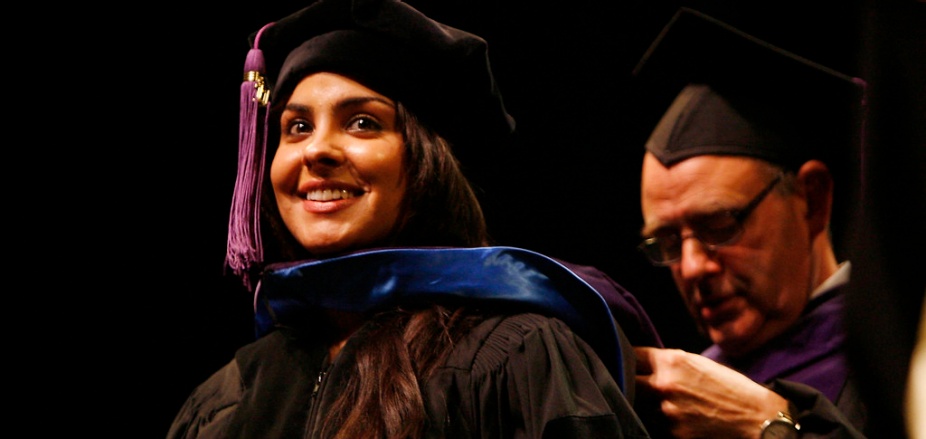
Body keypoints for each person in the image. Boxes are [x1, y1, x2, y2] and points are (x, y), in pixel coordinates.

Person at [167, 0, 660, 437]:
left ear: (430, 161)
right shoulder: (225, 398)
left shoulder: (517, 357)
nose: (315, 149)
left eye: (363, 122)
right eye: (296, 127)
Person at [628, 8, 869, 439]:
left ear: (812, 200)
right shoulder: (684, 388)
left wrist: (767, 426)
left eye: (721, 226)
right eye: (666, 242)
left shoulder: (897, 360)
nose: (694, 267)